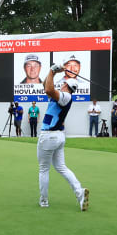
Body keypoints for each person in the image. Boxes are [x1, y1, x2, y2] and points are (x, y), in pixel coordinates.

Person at [36, 64, 89, 211]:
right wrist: (52, 71)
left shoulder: (65, 97)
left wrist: (53, 71)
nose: (62, 85)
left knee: (43, 169)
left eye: (64, 83)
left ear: (66, 85)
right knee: (61, 167)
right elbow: (45, 85)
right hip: (58, 136)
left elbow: (48, 89)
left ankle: (44, 200)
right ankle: (79, 192)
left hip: (49, 136)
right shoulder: (60, 96)